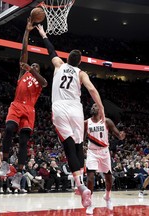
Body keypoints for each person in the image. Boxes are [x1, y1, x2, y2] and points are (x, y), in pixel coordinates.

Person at [36, 25, 105, 208]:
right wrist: (101, 108)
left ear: (67, 59)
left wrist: (43, 33)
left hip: (60, 109)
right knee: (78, 146)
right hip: (76, 109)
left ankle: (81, 187)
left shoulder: (59, 64)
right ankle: (80, 185)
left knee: (68, 147)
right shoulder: (81, 73)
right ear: (79, 63)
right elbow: (91, 89)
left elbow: (50, 49)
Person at [2, 17, 47, 187]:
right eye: (31, 65)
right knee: (8, 129)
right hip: (17, 104)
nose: (33, 66)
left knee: (23, 142)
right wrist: (27, 31)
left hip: (29, 109)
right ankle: (5, 163)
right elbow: (24, 52)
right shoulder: (23, 74)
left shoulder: (39, 81)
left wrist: (33, 70)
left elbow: (44, 82)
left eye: (36, 66)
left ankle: (18, 174)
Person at [85, 103, 125, 214]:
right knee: (90, 178)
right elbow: (81, 137)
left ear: (101, 109)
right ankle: (90, 203)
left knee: (109, 178)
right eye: (92, 106)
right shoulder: (86, 123)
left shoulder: (107, 121)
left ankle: (107, 197)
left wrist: (121, 135)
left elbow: (117, 134)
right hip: (92, 152)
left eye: (95, 106)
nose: (93, 107)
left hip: (104, 152)